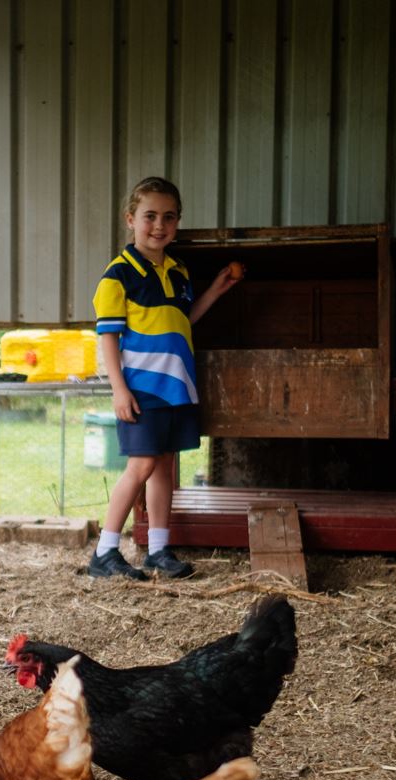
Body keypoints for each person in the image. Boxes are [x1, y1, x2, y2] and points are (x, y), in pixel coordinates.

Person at [88, 176, 240, 581]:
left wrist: (215, 292)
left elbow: (180, 322)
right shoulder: (118, 275)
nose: (159, 225)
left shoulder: (177, 271)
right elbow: (108, 336)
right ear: (130, 219)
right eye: (150, 216)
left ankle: (158, 549)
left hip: (176, 388)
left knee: (164, 468)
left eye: (169, 217)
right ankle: (104, 552)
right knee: (140, 467)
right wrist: (118, 389)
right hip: (142, 389)